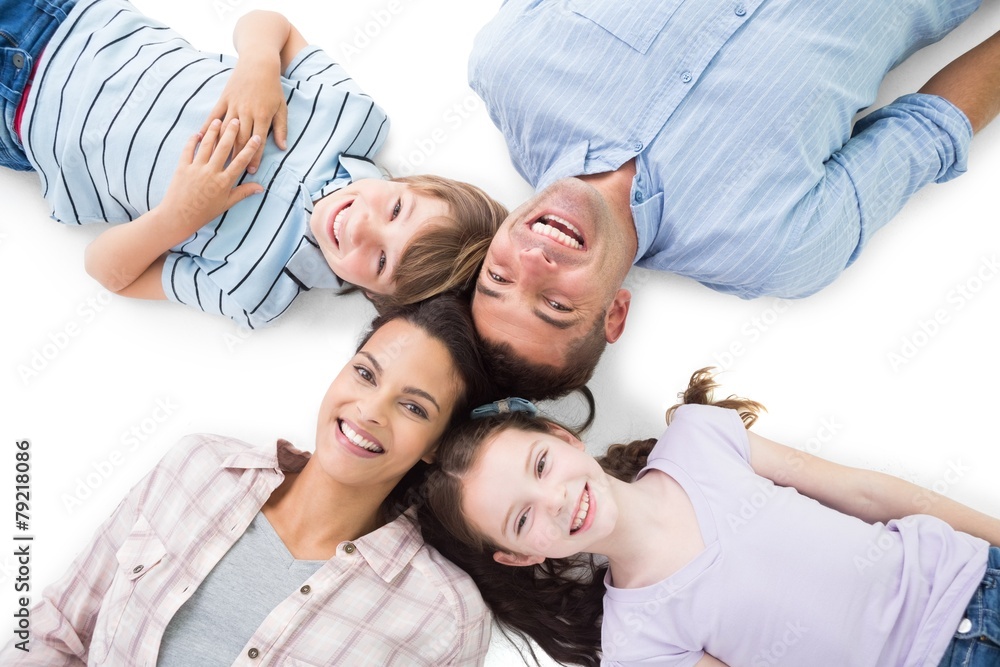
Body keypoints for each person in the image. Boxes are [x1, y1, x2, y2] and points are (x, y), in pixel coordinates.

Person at [466, 0, 1000, 399]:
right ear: (615, 315)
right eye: (557, 305)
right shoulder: (776, 249)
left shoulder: (510, 65)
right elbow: (933, 126)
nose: (535, 264)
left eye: (499, 279)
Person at [1, 294, 497, 666]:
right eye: (366, 374)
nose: (370, 411)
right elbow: (58, 629)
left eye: (412, 407)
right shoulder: (200, 468)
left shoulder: (443, 616)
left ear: (437, 443)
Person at [422, 369, 1000, 667]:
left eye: (541, 464)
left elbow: (865, 492)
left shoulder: (699, 439)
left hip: (977, 583)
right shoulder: (638, 646)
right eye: (522, 520)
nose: (554, 500)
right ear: (521, 556)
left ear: (561, 435)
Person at [0, 0, 506, 328]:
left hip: (19, 122)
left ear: (378, 299)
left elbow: (107, 271)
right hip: (64, 19)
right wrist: (260, 62)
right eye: (396, 211)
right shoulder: (350, 119)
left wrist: (177, 218)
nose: (361, 226)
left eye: (380, 260)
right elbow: (272, 24)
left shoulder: (252, 287)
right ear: (415, 184)